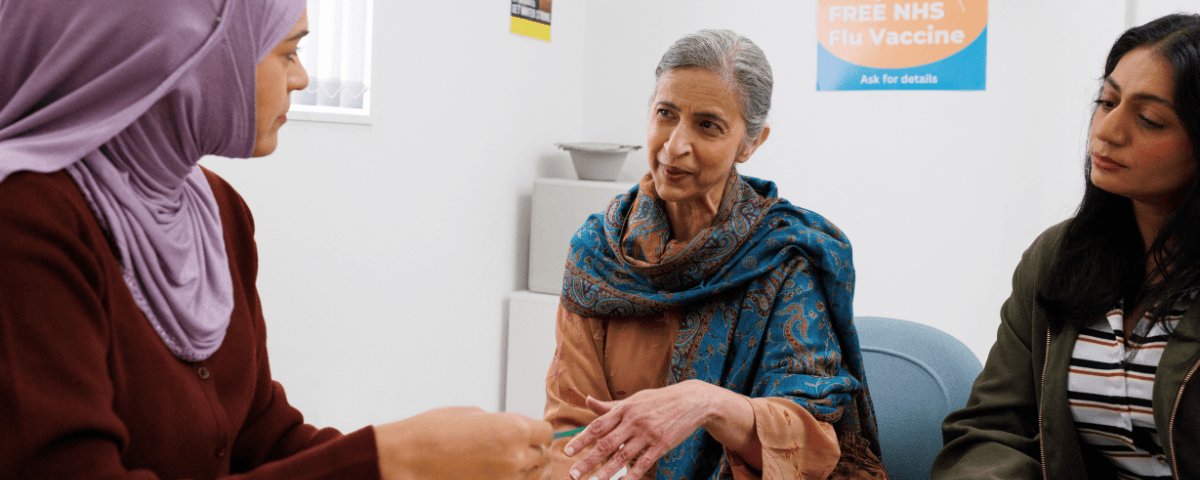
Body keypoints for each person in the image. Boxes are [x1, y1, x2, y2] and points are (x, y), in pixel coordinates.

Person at [0, 1, 551, 479]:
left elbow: (259, 434)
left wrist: (449, 463)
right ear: (181, 54)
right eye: (287, 52)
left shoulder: (216, 210)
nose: (303, 78)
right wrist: (391, 462)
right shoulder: (25, 221)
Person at [543, 30, 887, 480]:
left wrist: (707, 403)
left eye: (708, 125)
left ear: (751, 142)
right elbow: (572, 431)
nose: (674, 145)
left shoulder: (785, 257)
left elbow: (812, 448)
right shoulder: (598, 256)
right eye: (666, 114)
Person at [933, 14, 1200, 480]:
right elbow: (991, 430)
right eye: (1107, 101)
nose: (1107, 131)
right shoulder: (1058, 255)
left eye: (1149, 118)